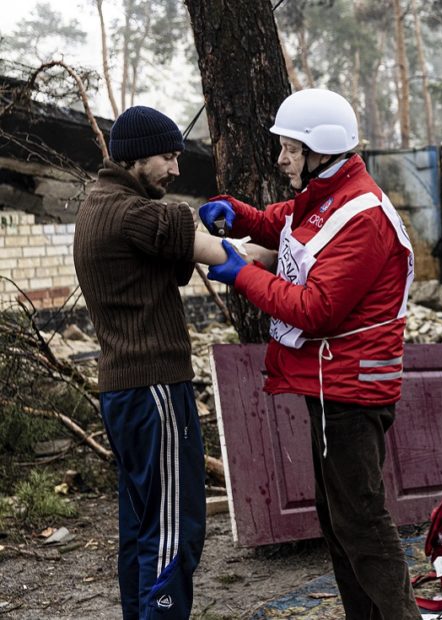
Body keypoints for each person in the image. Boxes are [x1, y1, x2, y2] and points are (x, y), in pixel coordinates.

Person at [200, 88, 419, 619]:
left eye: (291, 149)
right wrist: (244, 216)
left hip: (352, 386)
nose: (281, 159)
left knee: (361, 519)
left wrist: (244, 273)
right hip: (332, 381)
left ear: (322, 149)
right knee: (338, 516)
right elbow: (288, 221)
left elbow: (316, 309)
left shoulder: (362, 216)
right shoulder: (328, 195)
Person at [74, 105, 212, 619]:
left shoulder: (101, 202)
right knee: (176, 529)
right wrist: (262, 254)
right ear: (134, 157)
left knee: (141, 528)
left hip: (125, 390)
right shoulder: (130, 211)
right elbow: (206, 250)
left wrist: (182, 220)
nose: (176, 168)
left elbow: (170, 250)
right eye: (167, 156)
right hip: (154, 386)